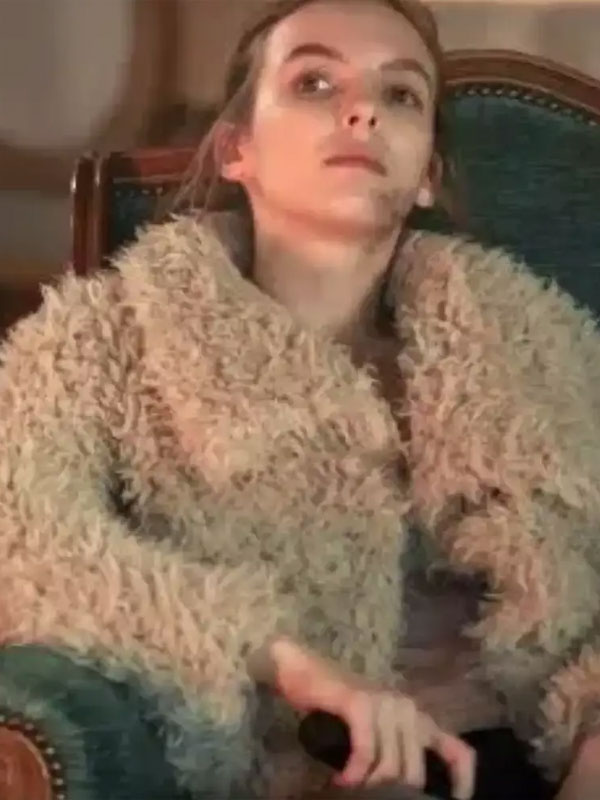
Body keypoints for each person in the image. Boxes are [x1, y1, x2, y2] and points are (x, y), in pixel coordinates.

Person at [1, 1, 600, 798]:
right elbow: (26, 542)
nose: (362, 110)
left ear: (427, 172)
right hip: (294, 767)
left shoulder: (542, 343)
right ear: (236, 148)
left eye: (400, 95)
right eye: (315, 82)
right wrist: (284, 662)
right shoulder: (103, 335)